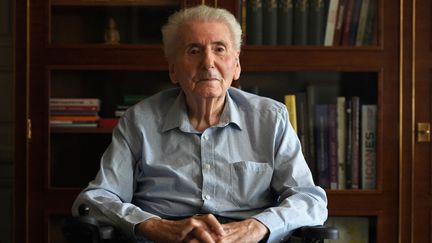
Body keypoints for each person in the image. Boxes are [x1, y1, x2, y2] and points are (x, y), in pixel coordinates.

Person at [72, 5, 327, 243]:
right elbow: (94, 199)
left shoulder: (271, 119)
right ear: (173, 70)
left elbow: (310, 200)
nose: (208, 63)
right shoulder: (140, 121)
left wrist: (255, 227)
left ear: (236, 65)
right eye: (194, 51)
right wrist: (155, 226)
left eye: (219, 49)